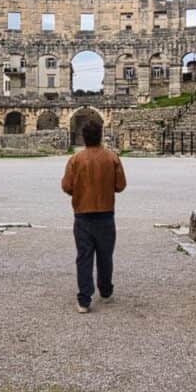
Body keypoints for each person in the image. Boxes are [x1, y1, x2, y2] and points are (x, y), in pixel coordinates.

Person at [61, 119, 127, 313]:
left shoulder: (75, 159)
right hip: (106, 213)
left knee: (84, 257)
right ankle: (105, 291)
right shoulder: (112, 158)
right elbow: (120, 186)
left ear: (83, 137)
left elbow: (66, 186)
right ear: (100, 136)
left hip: (82, 214)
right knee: (105, 256)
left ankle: (84, 299)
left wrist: (79, 192)